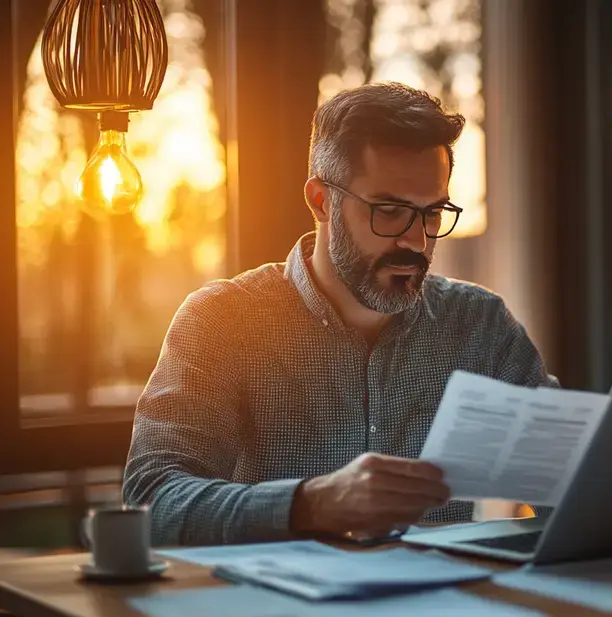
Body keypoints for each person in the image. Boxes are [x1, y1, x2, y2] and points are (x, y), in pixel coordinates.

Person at [122, 83, 557, 546]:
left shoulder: (481, 327)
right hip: (277, 613)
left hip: (454, 610)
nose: (416, 241)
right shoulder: (224, 322)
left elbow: (566, 482)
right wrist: (313, 504)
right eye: (389, 211)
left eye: (432, 213)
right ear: (321, 200)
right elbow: (152, 501)